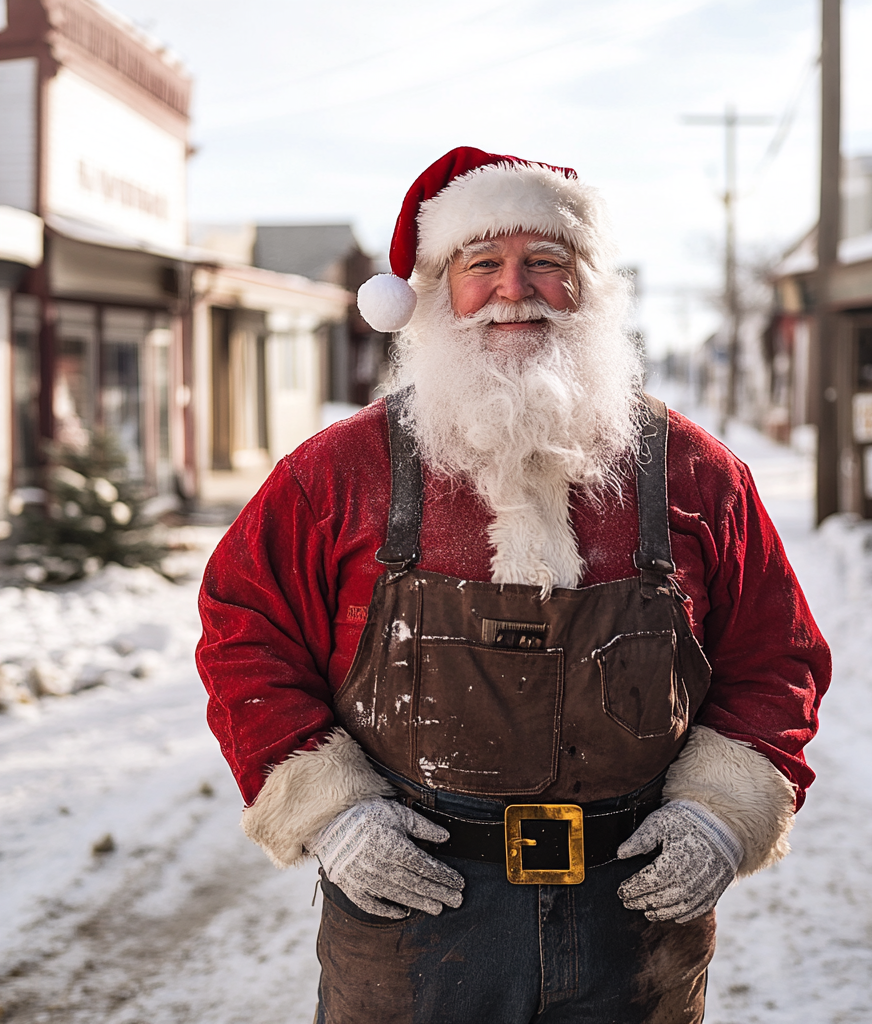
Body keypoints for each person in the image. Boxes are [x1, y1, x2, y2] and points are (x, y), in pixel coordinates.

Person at [196, 146, 831, 1024]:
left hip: (633, 918)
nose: (513, 287)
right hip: (413, 917)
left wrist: (722, 814)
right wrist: (332, 812)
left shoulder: (696, 474)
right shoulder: (336, 474)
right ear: (432, 291)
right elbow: (245, 631)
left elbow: (777, 657)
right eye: (481, 264)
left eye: (545, 263)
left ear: (588, 287)